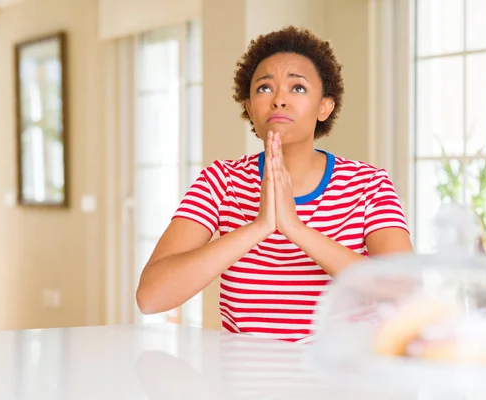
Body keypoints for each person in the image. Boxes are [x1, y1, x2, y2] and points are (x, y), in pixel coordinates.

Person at [136, 26, 413, 342]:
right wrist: (259, 227)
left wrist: (295, 228)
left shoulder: (369, 185)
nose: (279, 99)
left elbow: (403, 294)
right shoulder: (221, 181)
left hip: (342, 382)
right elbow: (151, 297)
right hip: (244, 383)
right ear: (250, 107)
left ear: (325, 106)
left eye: (297, 88)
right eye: (265, 88)